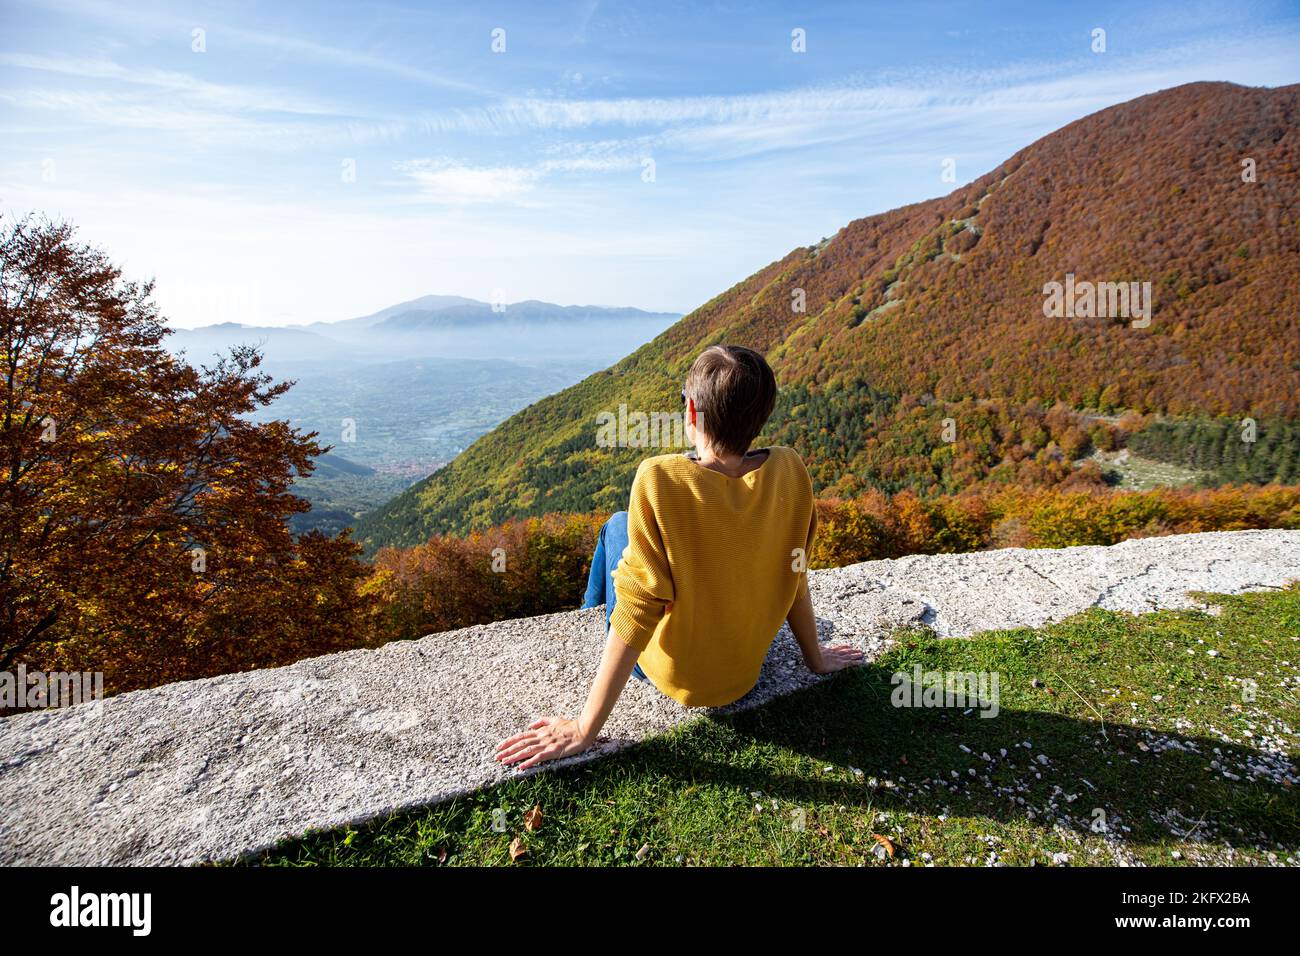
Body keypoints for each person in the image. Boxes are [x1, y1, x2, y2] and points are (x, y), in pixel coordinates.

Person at [495, 345, 862, 769]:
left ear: (691, 414)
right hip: (744, 675)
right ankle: (592, 611)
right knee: (629, 532)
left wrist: (584, 729)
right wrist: (815, 659)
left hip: (676, 678)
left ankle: (589, 613)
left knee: (616, 526)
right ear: (764, 415)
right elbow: (794, 573)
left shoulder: (660, 478)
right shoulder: (791, 471)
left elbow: (638, 608)